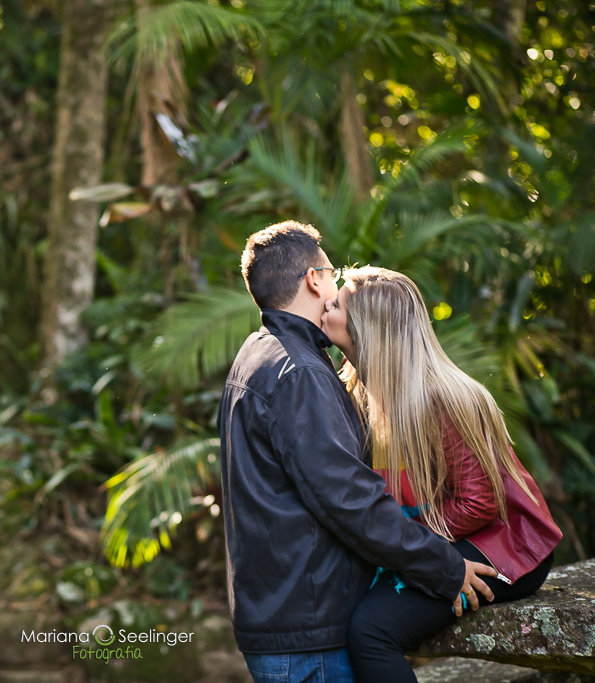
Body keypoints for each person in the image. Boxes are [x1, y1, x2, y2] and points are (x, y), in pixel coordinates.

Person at [217, 222, 496, 683]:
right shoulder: (298, 371)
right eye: (332, 275)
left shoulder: (258, 352)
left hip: (279, 613)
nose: (334, 289)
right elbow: (348, 498)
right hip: (309, 630)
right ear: (313, 279)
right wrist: (444, 567)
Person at [320, 266, 563, 683]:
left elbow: (480, 502)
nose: (327, 303)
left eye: (337, 302)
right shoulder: (366, 389)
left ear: (367, 328)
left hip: (504, 542)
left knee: (371, 630)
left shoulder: (440, 398)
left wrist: (408, 545)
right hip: (447, 536)